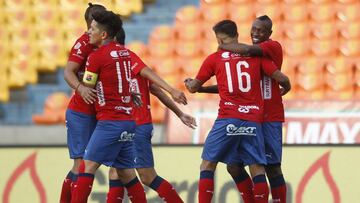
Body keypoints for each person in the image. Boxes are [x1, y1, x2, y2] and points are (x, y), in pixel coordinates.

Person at [184, 20, 291, 203]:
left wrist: (194, 85)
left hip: (264, 117)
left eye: (261, 30)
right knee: (236, 166)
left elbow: (250, 56)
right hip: (254, 117)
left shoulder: (268, 48)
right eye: (254, 29)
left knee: (270, 167)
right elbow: (231, 84)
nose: (256, 33)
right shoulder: (254, 58)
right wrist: (285, 87)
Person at [104, 25, 193, 203]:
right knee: (116, 172)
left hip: (137, 125)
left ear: (112, 40)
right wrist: (179, 113)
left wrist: (172, 93)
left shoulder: (127, 58)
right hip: (125, 125)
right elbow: (156, 91)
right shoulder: (115, 63)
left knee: (147, 176)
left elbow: (153, 80)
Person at [71, 10, 147, 203]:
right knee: (126, 173)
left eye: (93, 29)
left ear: (103, 34)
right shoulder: (125, 53)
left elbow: (89, 86)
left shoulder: (96, 57)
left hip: (110, 122)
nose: (89, 32)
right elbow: (118, 81)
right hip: (128, 121)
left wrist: (83, 83)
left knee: (87, 166)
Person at [60, 3, 106, 203]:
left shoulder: (107, 44)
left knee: (90, 167)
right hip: (81, 111)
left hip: (100, 113)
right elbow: (68, 72)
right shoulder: (84, 43)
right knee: (81, 166)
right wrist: (81, 88)